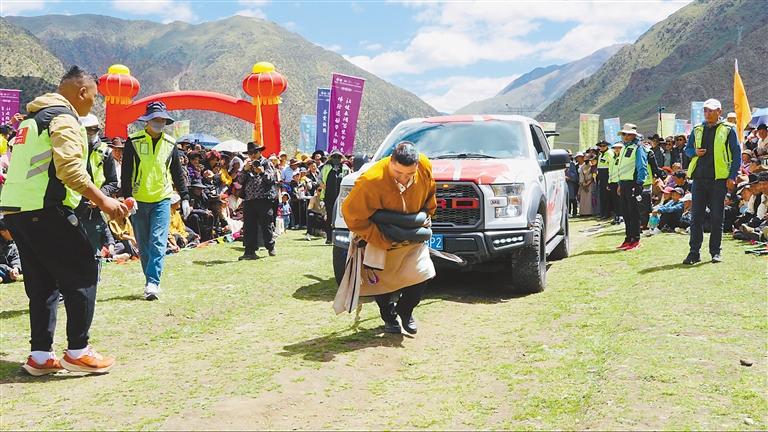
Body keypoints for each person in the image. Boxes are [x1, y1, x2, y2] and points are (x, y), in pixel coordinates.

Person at [0, 66, 128, 375]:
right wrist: (104, 200)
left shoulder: (31, 120)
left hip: (17, 211)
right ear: (82, 92)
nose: (93, 104)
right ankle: (78, 351)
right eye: (94, 97)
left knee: (42, 283)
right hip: (46, 209)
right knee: (84, 271)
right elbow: (69, 170)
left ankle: (40, 356)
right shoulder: (63, 118)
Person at [341, 142, 436, 334]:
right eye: (398, 173)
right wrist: (380, 238)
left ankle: (405, 310)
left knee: (421, 275)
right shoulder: (370, 180)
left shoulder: (424, 166)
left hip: (413, 236)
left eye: (409, 174)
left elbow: (430, 193)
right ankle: (389, 317)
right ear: (391, 162)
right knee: (382, 283)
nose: (403, 178)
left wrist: (426, 215)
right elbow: (351, 215)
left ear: (417, 165)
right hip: (379, 237)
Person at [121, 101, 190, 300]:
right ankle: (150, 280)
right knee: (143, 244)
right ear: (147, 120)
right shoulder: (133, 141)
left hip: (162, 199)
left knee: (158, 241)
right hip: (138, 200)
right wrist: (128, 197)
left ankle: (153, 282)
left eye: (161, 119)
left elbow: (177, 173)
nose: (158, 122)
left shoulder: (170, 143)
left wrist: (185, 197)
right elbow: (126, 172)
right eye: (155, 119)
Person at [682, 98, 740, 264]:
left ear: (719, 112)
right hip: (699, 179)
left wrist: (732, 176)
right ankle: (694, 253)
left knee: (717, 217)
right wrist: (695, 152)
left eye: (711, 110)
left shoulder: (729, 129)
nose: (707, 113)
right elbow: (687, 150)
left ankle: (716, 252)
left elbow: (736, 153)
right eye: (705, 110)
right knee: (696, 217)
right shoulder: (697, 129)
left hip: (718, 179)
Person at [76, 114, 119, 256]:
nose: (90, 133)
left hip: (93, 211)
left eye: (94, 129)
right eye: (87, 129)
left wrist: (98, 197)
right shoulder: (72, 149)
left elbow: (113, 182)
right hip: (72, 207)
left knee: (94, 251)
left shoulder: (106, 152)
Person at [237, 141, 278, 260]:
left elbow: (272, 179)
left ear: (259, 152)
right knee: (249, 226)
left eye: (254, 152)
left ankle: (270, 246)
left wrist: (262, 172)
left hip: (264, 199)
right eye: (250, 153)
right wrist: (245, 170)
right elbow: (240, 181)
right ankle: (249, 251)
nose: (252, 155)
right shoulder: (247, 165)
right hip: (249, 199)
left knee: (266, 224)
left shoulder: (267, 163)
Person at [616, 123, 648, 250]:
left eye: (627, 134)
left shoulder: (638, 148)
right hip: (624, 183)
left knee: (633, 212)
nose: (625, 136)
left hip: (633, 183)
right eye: (623, 134)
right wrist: (620, 184)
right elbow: (621, 168)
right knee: (626, 213)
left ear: (633, 135)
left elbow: (642, 166)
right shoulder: (624, 148)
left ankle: (636, 239)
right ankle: (628, 238)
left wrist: (639, 183)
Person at [319, 149, 351, 244]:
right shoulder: (326, 167)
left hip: (342, 197)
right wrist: (322, 185)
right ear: (331, 158)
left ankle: (342, 237)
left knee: (342, 217)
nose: (336, 158)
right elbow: (319, 178)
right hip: (328, 196)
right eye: (334, 157)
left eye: (338, 157)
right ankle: (329, 238)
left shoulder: (345, 168)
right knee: (329, 216)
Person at [0, 218, 22, 283]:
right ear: (2, 232)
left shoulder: (12, 242)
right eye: (11, 231)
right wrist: (9, 270)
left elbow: (16, 257)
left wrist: (16, 268)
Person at [607, 142, 624, 224]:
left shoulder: (622, 158)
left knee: (620, 200)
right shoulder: (612, 158)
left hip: (619, 182)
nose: (617, 149)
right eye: (615, 148)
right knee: (614, 200)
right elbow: (610, 170)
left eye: (619, 148)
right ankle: (617, 215)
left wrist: (620, 183)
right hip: (612, 182)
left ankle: (621, 216)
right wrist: (609, 182)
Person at [596, 141, 612, 218]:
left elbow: (611, 166)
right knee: (602, 195)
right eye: (600, 146)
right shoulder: (600, 154)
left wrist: (609, 179)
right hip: (601, 175)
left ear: (607, 146)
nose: (602, 147)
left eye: (603, 146)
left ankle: (607, 213)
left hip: (606, 175)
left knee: (606, 196)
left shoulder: (609, 153)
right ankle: (602, 213)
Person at [565, 151, 579, 217]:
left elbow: (574, 174)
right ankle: (568, 212)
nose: (569, 157)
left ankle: (574, 212)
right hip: (564, 183)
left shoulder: (572, 164)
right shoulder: (562, 163)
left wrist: (569, 177)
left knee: (572, 198)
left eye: (570, 155)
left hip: (571, 183)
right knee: (566, 198)